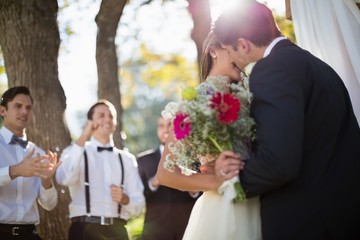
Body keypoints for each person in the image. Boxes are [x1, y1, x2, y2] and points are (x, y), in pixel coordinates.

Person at [213, 1, 360, 239]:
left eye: (229, 51)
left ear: (242, 44)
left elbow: (278, 163)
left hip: (308, 223)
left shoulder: (271, 70)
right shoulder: (317, 65)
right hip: (343, 214)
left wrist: (231, 179)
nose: (231, 59)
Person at [157, 31, 261, 240]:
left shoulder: (250, 99)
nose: (241, 56)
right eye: (234, 48)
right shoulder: (193, 103)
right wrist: (215, 181)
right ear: (214, 51)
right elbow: (165, 174)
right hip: (222, 208)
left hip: (259, 203)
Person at [56, 99, 145, 240]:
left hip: (117, 231)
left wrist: (125, 199)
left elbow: (139, 205)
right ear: (90, 122)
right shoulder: (75, 151)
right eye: (101, 115)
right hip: (84, 229)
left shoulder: (127, 159)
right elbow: (64, 178)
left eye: (111, 116)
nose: (107, 119)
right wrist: (84, 136)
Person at [0, 86, 59, 240]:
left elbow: (49, 205)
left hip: (30, 234)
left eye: (28, 108)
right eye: (18, 106)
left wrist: (47, 181)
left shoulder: (38, 152)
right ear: (2, 111)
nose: (24, 112)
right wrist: (15, 170)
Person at [137, 116, 199, 240]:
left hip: (187, 230)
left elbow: (202, 193)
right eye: (161, 126)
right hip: (154, 232)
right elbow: (137, 196)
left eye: (170, 124)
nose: (166, 129)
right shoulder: (143, 160)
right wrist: (154, 182)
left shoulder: (194, 157)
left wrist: (191, 186)